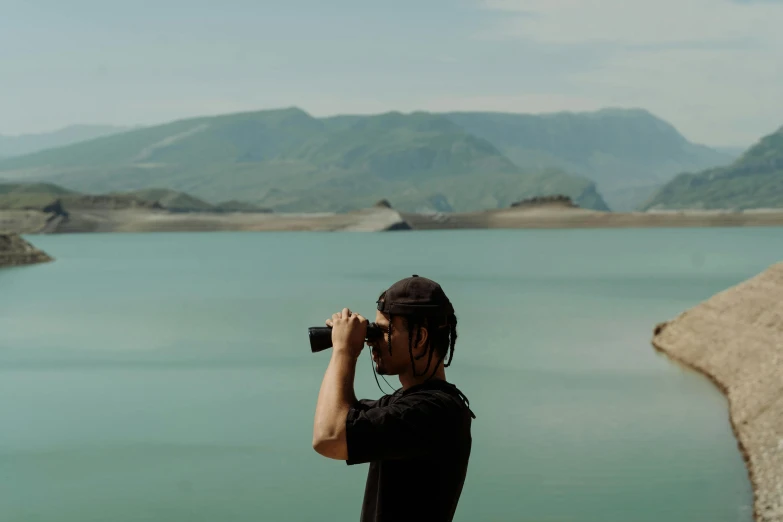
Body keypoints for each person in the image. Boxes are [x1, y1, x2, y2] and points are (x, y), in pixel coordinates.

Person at [312, 275, 476, 522]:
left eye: (384, 331)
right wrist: (344, 347)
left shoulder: (435, 412)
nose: (372, 342)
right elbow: (341, 418)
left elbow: (329, 437)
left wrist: (344, 351)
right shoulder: (407, 403)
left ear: (420, 338)